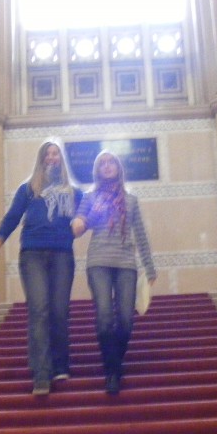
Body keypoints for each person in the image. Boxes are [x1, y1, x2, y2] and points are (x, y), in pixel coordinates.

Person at [0, 140, 82, 396]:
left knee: (59, 311)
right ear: (41, 159)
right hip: (32, 254)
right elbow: (10, 220)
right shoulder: (27, 189)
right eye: (47, 154)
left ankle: (60, 365)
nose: (52, 158)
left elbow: (86, 218)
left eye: (55, 154)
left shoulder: (75, 192)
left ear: (61, 159)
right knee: (39, 310)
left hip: (62, 255)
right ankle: (41, 374)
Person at [71, 151, 156, 394]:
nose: (107, 166)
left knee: (126, 321)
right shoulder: (90, 197)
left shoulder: (131, 200)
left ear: (119, 167)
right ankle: (112, 372)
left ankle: (114, 362)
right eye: (102, 164)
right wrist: (91, 215)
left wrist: (149, 267)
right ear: (97, 170)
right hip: (98, 262)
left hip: (126, 263)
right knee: (105, 317)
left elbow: (140, 234)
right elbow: (77, 228)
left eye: (111, 163)